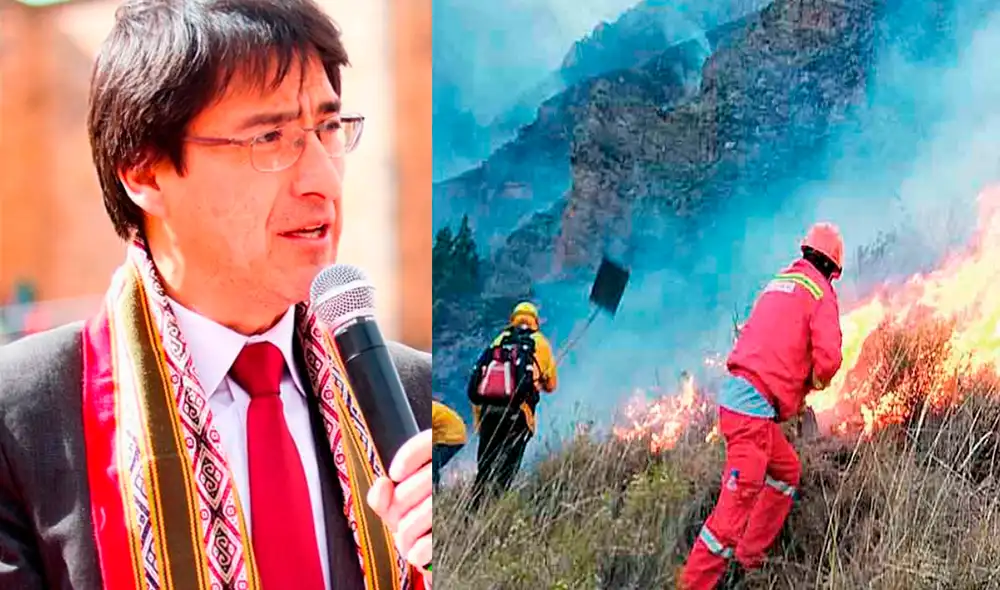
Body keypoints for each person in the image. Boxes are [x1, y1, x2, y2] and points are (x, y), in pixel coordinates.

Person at [0, 2, 432, 589]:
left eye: (329, 129)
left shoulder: (419, 404)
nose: (323, 182)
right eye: (270, 137)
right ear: (145, 171)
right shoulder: (25, 424)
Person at [678, 222, 845, 590]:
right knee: (728, 518)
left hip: (739, 400)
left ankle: (749, 558)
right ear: (833, 269)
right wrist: (812, 384)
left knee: (786, 470)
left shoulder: (779, 283)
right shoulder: (821, 292)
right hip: (751, 415)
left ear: (805, 252)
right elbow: (829, 360)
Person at [467, 301, 557, 507]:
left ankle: (470, 515)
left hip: (489, 415)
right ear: (535, 321)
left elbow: (480, 380)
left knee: (484, 469)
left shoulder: (499, 341)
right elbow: (551, 385)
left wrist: (480, 423)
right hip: (519, 416)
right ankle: (494, 515)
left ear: (513, 319)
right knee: (505, 472)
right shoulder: (539, 342)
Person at [431, 399, 468, 490]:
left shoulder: (431, 409)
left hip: (452, 437)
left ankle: (434, 490)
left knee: (432, 465)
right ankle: (434, 489)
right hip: (453, 435)